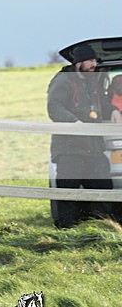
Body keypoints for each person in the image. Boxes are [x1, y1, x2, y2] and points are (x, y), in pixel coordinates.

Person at [47, 44, 112, 228]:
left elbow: (101, 107)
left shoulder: (92, 83)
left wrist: (114, 110)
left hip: (94, 147)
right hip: (70, 147)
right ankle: (68, 230)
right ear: (79, 62)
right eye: (90, 60)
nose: (93, 64)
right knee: (69, 190)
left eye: (94, 61)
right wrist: (74, 122)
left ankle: (100, 226)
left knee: (102, 186)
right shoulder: (64, 80)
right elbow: (54, 107)